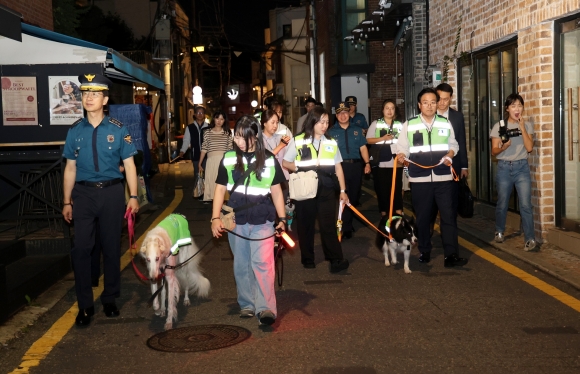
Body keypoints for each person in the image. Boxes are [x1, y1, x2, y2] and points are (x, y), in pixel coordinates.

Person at [62, 73, 139, 326]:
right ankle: (84, 306)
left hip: (111, 193)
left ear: (105, 99)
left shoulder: (118, 129)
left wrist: (134, 196)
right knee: (82, 249)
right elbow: (70, 168)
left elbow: (129, 165)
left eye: (95, 94)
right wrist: (66, 201)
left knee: (110, 247)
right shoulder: (75, 131)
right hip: (83, 195)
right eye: (85, 94)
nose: (89, 98)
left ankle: (109, 298)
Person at [211, 115, 287, 326]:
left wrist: (282, 219)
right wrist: (215, 218)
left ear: (256, 136)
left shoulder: (269, 159)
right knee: (241, 263)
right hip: (236, 220)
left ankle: (265, 308)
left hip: (263, 218)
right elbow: (218, 189)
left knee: (262, 262)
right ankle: (247, 303)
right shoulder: (227, 158)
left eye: (245, 137)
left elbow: (277, 192)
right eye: (237, 136)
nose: (240, 141)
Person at [396, 88, 468, 268]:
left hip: (443, 178)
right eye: (426, 102)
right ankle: (425, 251)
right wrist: (402, 156)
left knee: (448, 216)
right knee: (422, 217)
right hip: (419, 179)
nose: (429, 106)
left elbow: (454, 144)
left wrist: (450, 155)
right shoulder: (410, 124)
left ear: (437, 104)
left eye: (433, 102)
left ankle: (451, 254)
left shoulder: (445, 122)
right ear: (419, 105)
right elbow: (402, 147)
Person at [282, 107, 350, 273]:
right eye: (321, 122)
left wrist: (343, 190)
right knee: (306, 225)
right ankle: (308, 258)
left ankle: (335, 259)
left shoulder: (331, 142)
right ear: (313, 121)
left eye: (327, 122)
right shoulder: (298, 140)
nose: (325, 125)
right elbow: (285, 163)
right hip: (305, 188)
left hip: (326, 187)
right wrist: (298, 167)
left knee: (328, 225)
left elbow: (338, 167)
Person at [490, 93, 537, 251]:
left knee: (525, 205)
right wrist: (503, 147)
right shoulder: (499, 126)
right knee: (502, 203)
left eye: (520, 105)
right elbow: (494, 151)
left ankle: (530, 239)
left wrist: (522, 127)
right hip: (504, 167)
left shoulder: (527, 125)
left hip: (521, 168)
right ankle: (499, 231)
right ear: (507, 108)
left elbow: (529, 148)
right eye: (513, 106)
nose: (517, 109)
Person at [430, 83, 469, 234]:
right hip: (432, 166)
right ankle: (428, 233)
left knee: (449, 204)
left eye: (446, 99)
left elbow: (461, 141)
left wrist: (464, 166)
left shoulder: (457, 117)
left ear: (450, 99)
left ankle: (448, 233)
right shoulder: (428, 115)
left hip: (452, 166)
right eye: (439, 98)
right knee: (431, 205)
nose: (442, 102)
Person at [328, 102, 371, 239]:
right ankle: (345, 225)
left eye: (345, 112)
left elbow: (363, 148)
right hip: (338, 167)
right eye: (340, 113)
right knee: (342, 194)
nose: (343, 115)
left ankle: (347, 221)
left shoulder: (357, 130)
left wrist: (367, 163)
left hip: (355, 167)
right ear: (336, 115)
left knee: (353, 195)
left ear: (349, 113)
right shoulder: (330, 132)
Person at [366, 99, 404, 218]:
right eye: (387, 108)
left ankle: (398, 210)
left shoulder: (399, 124)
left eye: (392, 108)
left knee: (397, 187)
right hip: (381, 160)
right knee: (382, 188)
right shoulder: (376, 123)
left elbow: (404, 142)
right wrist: (382, 138)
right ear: (383, 110)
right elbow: (368, 140)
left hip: (396, 161)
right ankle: (384, 212)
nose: (389, 110)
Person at [198, 110, 232, 203]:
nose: (219, 121)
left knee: (223, 186)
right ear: (214, 119)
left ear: (224, 121)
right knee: (213, 185)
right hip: (211, 162)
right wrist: (200, 163)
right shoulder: (207, 132)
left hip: (223, 162)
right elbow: (204, 148)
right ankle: (216, 209)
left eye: (222, 119)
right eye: (217, 118)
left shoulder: (227, 133)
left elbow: (230, 149)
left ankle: (221, 209)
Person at [180, 106, 208, 184]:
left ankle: (206, 193)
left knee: (206, 174)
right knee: (197, 174)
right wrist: (182, 150)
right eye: (198, 113)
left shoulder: (208, 127)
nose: (200, 114)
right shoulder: (190, 127)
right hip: (196, 155)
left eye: (202, 113)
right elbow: (186, 140)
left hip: (207, 155)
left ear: (204, 115)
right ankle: (198, 192)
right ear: (195, 114)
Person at [261, 109, 291, 180]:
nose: (275, 125)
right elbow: (265, 157)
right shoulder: (259, 140)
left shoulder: (280, 137)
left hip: (283, 176)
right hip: (268, 178)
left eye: (277, 122)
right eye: (273, 122)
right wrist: (280, 146)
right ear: (264, 123)